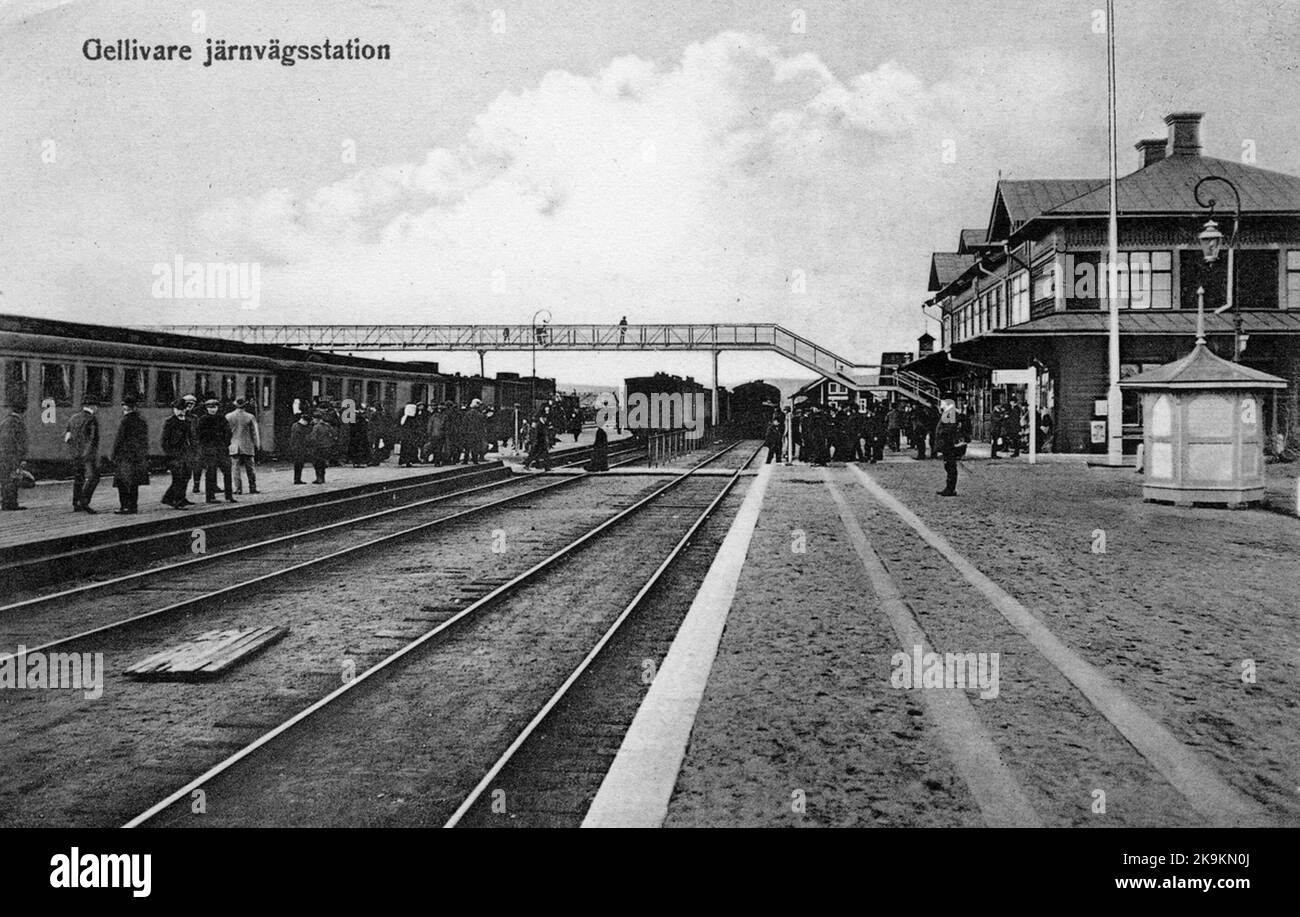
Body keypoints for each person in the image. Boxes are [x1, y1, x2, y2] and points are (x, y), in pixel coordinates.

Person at [110, 394, 150, 514]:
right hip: (137, 457)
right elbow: (144, 440)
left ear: (126, 407)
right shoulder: (141, 420)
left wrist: (114, 454)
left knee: (122, 483)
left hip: (125, 456)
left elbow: (119, 439)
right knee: (134, 483)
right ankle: (133, 506)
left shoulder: (125, 421)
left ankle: (125, 507)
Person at [196, 398, 235, 503]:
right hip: (209, 450)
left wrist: (225, 443)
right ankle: (210, 497)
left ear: (218, 408)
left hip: (222, 449)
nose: (212, 410)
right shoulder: (203, 420)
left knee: (227, 472)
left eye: (214, 407)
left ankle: (229, 495)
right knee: (210, 473)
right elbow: (199, 435)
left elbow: (228, 433)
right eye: (210, 408)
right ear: (206, 408)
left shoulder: (222, 419)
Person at [65, 401, 101, 513]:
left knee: (78, 478)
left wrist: (74, 451)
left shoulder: (73, 418)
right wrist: (89, 454)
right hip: (87, 455)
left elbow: (67, 437)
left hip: (76, 454)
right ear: (93, 407)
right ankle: (84, 501)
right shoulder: (92, 419)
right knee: (94, 477)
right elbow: (92, 439)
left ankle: (76, 503)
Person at [160, 398, 194, 508]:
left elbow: (190, 437)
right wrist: (170, 453)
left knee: (186, 476)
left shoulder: (187, 421)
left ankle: (173, 498)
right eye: (177, 409)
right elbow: (164, 440)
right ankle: (177, 501)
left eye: (182, 409)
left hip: (186, 453)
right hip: (174, 454)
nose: (179, 411)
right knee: (178, 477)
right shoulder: (170, 422)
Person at [226, 399, 260, 495]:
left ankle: (238, 489)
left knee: (235, 468)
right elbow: (254, 433)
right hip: (247, 445)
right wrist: (257, 444)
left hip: (233, 445)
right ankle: (252, 487)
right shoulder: (250, 417)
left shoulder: (228, 416)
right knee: (250, 468)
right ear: (245, 406)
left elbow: (226, 432)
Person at [934, 397, 967, 497]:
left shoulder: (950, 414)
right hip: (947, 444)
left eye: (942, 403)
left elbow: (949, 430)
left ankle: (950, 489)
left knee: (950, 466)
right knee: (948, 466)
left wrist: (942, 437)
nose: (941, 404)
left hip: (948, 444)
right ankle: (949, 488)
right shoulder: (949, 413)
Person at [0, 398, 29, 511]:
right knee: (13, 479)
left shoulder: (4, 421)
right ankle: (11, 504)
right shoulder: (18, 423)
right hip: (12, 456)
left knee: (5, 480)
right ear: (22, 411)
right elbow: (20, 442)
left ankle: (5, 502)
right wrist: (22, 458)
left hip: (2, 455)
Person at [309, 411, 336, 483]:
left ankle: (318, 478)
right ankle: (322, 478)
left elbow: (313, 438)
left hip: (318, 447)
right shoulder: (328, 426)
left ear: (316, 419)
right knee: (323, 463)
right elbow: (334, 434)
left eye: (314, 419)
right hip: (327, 447)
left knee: (317, 463)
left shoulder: (316, 427)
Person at [289, 411, 312, 484]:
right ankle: (297, 479)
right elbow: (304, 438)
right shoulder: (301, 427)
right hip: (300, 448)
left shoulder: (294, 425)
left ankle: (297, 479)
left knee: (297, 464)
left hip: (295, 447)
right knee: (299, 464)